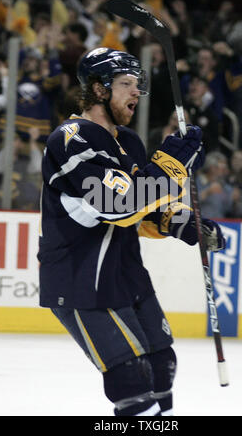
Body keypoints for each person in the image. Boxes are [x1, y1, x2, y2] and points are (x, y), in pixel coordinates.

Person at [38, 47, 226, 416]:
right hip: (81, 279)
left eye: (138, 86)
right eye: (126, 84)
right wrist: (171, 166)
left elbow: (143, 210)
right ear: (98, 89)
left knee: (161, 367)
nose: (135, 93)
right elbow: (114, 205)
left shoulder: (130, 142)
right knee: (131, 383)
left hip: (126, 275)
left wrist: (183, 222)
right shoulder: (71, 138)